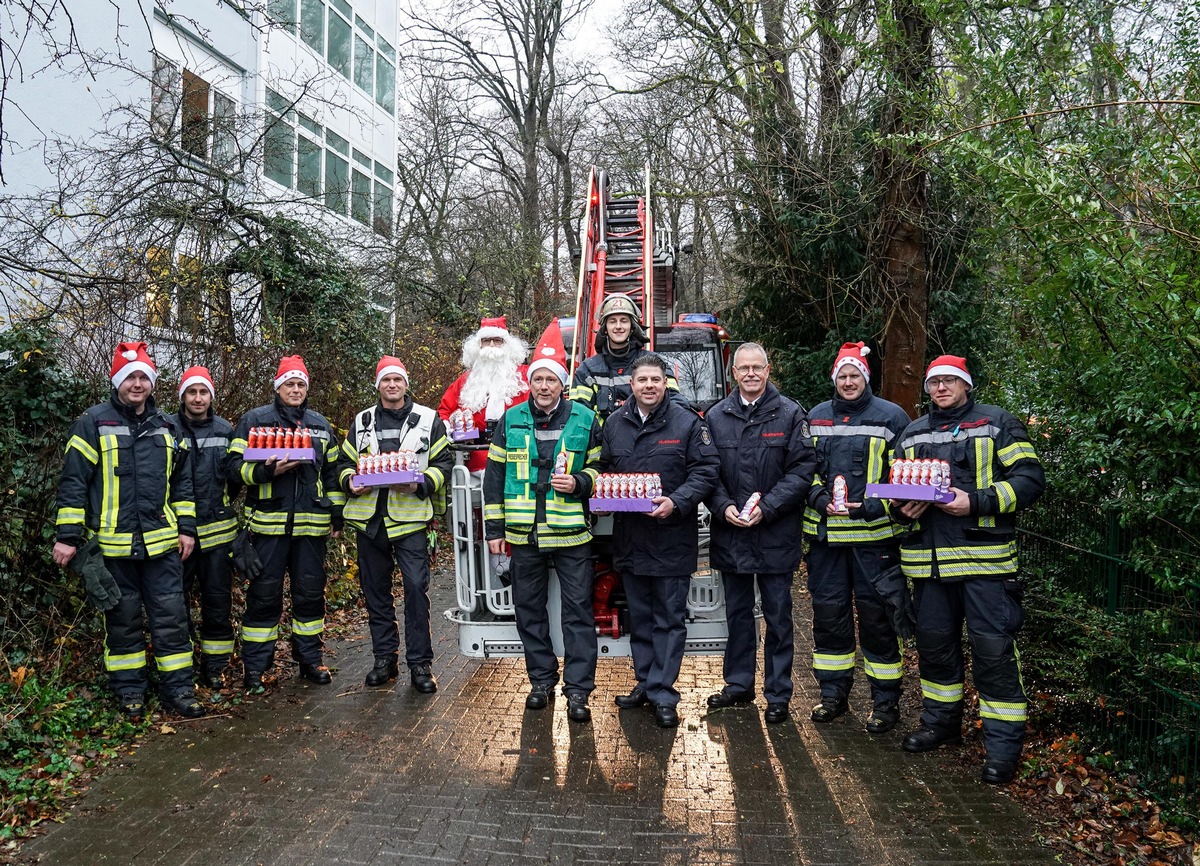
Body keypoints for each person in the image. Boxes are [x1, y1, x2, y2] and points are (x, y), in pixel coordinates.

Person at [892, 355, 1045, 784]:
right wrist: (901, 509)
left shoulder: (998, 423)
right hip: (928, 567)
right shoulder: (913, 431)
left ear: (965, 385)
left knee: (993, 654)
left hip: (986, 565)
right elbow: (897, 491)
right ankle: (941, 726)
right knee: (936, 650)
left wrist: (974, 500)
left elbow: (1030, 480)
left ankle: (1002, 749)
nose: (941, 388)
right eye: (934, 383)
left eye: (948, 381)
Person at [52, 342, 204, 720]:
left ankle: (179, 689)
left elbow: (182, 484)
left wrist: (186, 529)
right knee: (122, 622)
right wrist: (68, 536)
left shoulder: (168, 426)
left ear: (152, 383)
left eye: (144, 378)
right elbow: (73, 481)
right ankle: (130, 690)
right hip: (114, 546)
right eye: (130, 377)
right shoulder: (92, 422)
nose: (137, 384)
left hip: (163, 546)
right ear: (117, 381)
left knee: (172, 619)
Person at [483, 322, 602, 723]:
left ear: (562, 384)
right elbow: (494, 478)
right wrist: (495, 532)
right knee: (528, 610)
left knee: (577, 613)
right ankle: (540, 681)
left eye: (552, 379)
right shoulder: (511, 419)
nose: (544, 385)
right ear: (530, 382)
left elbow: (603, 466)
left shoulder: (585, 418)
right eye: (538, 379)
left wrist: (583, 481)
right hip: (523, 534)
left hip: (571, 534)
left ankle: (579, 691)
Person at [601, 353, 719, 728]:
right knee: (640, 616)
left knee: (669, 618)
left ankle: (664, 692)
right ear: (631, 384)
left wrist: (677, 501)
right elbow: (605, 470)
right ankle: (645, 683)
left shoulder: (687, 423)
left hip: (671, 537)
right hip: (631, 538)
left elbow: (706, 471)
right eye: (642, 380)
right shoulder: (615, 424)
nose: (649, 385)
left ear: (665, 382)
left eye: (656, 379)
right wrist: (602, 498)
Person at [802, 342, 913, 732]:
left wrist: (870, 506)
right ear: (834, 379)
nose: (848, 382)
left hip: (874, 539)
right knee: (828, 619)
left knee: (878, 620)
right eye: (842, 376)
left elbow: (902, 477)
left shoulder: (892, 417)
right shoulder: (816, 417)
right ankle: (833, 696)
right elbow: (804, 469)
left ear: (866, 378)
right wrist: (818, 499)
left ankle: (885, 703)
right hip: (827, 538)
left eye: (855, 375)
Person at [705, 343, 814, 724]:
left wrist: (766, 508)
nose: (751, 374)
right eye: (743, 368)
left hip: (775, 534)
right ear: (733, 373)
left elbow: (802, 471)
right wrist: (723, 507)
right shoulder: (716, 417)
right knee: (736, 614)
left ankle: (778, 693)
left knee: (779, 616)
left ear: (768, 370)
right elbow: (707, 473)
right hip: (732, 533)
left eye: (757, 367)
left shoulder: (790, 414)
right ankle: (738, 685)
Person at [227, 356, 345, 692]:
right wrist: (266, 471)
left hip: (311, 529)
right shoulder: (254, 421)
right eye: (289, 384)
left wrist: (336, 513)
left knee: (310, 597)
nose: (295, 389)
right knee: (264, 598)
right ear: (277, 387)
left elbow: (333, 475)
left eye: (300, 384)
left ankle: (309, 659)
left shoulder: (320, 426)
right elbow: (233, 468)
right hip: (267, 528)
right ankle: (256, 667)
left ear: (307, 388)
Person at [338, 356, 451, 692]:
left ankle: (420, 666)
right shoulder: (362, 421)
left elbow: (444, 462)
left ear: (406, 383)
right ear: (378, 385)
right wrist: (349, 482)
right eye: (386, 380)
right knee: (376, 594)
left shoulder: (429, 420)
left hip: (411, 520)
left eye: (397, 380)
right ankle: (384, 660)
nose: (392, 385)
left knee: (416, 590)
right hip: (369, 519)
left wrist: (420, 484)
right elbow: (344, 463)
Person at [169, 366, 240, 689]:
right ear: (182, 396)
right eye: (192, 392)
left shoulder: (226, 430)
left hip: (218, 536)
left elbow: (234, 481)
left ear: (211, 396)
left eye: (203, 392)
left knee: (217, 604)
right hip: (174, 537)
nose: (198, 398)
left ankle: (215, 667)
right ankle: (179, 669)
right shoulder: (166, 428)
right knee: (174, 606)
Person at [569, 292, 689, 420]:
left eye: (624, 321)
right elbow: (578, 415)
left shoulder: (655, 363)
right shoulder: (588, 370)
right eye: (612, 321)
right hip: (603, 439)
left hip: (648, 438)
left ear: (632, 327)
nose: (618, 326)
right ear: (605, 328)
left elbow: (676, 403)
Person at [438, 316, 530, 473]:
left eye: (497, 340)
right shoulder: (465, 380)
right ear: (478, 346)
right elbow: (444, 411)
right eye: (487, 340)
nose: (492, 345)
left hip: (518, 461)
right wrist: (451, 429)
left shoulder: (525, 376)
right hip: (475, 464)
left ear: (507, 345)